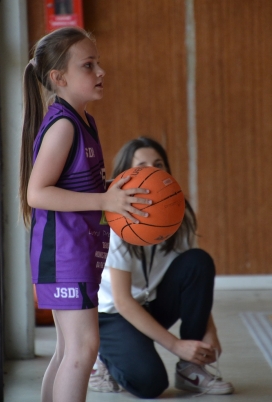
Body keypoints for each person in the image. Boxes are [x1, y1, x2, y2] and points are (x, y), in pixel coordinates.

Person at [19, 28, 150, 402]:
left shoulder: (83, 121)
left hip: (77, 249)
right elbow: (37, 192)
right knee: (83, 350)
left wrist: (112, 192)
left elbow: (81, 185)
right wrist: (104, 202)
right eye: (88, 65)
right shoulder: (63, 125)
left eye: (98, 63)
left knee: (69, 350)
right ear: (58, 79)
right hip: (63, 252)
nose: (101, 71)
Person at [88, 136, 234, 398]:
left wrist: (208, 334)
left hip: (151, 304)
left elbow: (194, 281)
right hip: (113, 316)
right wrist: (176, 345)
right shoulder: (118, 220)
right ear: (127, 175)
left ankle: (192, 368)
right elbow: (122, 301)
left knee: (198, 261)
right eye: (142, 166)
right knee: (150, 384)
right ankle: (103, 359)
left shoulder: (178, 212)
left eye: (158, 164)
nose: (152, 171)